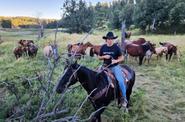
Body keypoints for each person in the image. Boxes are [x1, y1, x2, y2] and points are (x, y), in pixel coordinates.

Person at [98, 31, 127, 108]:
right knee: (96, 76)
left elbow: (122, 57)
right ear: (106, 39)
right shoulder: (103, 47)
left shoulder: (116, 47)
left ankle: (124, 98)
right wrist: (104, 57)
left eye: (111, 39)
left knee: (120, 81)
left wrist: (116, 61)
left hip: (114, 67)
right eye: (108, 39)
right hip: (105, 66)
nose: (110, 40)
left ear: (113, 39)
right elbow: (99, 57)